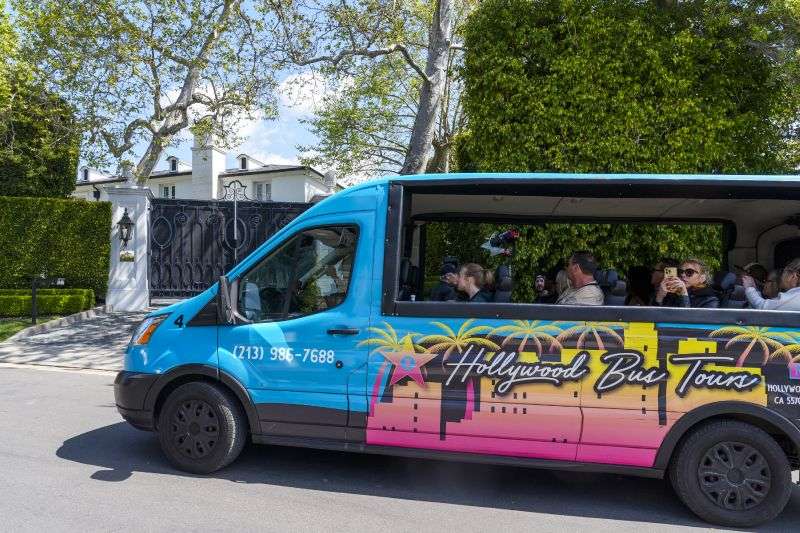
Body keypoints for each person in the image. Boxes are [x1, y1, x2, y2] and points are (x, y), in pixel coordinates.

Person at [654, 259, 719, 308]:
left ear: (702, 278)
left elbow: (687, 321)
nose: (683, 275)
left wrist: (684, 295)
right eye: (680, 272)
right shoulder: (673, 294)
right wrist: (660, 297)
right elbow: (655, 317)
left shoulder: (710, 300)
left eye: (689, 272)